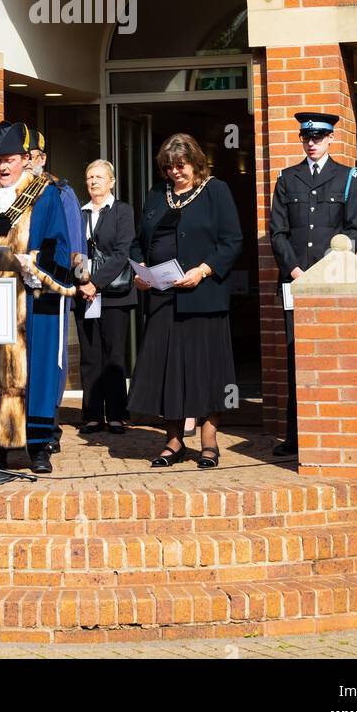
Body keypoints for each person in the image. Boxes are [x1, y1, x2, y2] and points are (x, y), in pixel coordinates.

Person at [128, 132, 242, 469]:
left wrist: (204, 270)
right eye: (169, 168)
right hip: (163, 297)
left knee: (207, 371)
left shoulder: (215, 190)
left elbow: (232, 240)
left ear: (195, 163)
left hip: (203, 295)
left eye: (181, 166)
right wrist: (142, 269)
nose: (175, 172)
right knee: (169, 372)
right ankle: (173, 442)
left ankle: (209, 441)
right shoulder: (155, 194)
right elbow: (138, 242)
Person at [0, 121, 73, 474]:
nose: (3, 166)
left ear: (26, 159)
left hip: (31, 299)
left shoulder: (46, 195)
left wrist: (35, 264)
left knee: (35, 373)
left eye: (10, 159)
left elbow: (61, 247)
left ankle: (38, 446)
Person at [269, 112, 357, 458]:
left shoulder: (348, 177)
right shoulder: (286, 178)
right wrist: (294, 270)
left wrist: (325, 269)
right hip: (295, 280)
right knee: (297, 355)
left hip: (331, 281)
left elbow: (354, 230)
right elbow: (277, 231)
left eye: (319, 137)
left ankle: (333, 431)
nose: (312, 143)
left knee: (331, 353)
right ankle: (296, 435)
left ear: (330, 140)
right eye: (306, 137)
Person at [28, 131, 86, 453]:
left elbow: (74, 244)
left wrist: (78, 279)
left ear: (42, 158)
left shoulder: (59, 192)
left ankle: (48, 426)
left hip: (52, 287)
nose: (29, 162)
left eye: (33, 156)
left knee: (53, 360)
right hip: (19, 292)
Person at [75, 159, 136, 435]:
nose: (93, 182)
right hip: (84, 294)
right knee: (89, 355)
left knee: (113, 355)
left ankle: (116, 414)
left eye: (99, 177)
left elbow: (123, 254)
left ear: (112, 181)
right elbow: (74, 251)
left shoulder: (122, 211)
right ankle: (92, 415)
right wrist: (82, 280)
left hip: (114, 294)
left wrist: (96, 283)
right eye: (89, 177)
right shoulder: (79, 213)